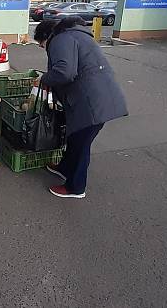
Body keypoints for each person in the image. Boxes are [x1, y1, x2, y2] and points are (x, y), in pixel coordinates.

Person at [34, 16, 128, 199]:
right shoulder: (75, 35)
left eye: (40, 43)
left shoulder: (60, 39)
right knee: (75, 137)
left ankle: (75, 187)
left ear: (47, 36)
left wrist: (44, 79)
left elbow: (65, 72)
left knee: (81, 143)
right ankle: (64, 168)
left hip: (92, 101)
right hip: (98, 96)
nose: (41, 47)